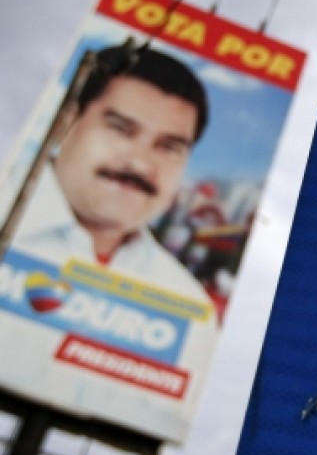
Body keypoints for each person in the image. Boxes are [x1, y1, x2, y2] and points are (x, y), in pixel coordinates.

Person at [9, 44, 216, 324]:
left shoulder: (187, 306)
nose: (140, 164)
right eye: (120, 129)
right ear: (65, 122)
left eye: (169, 147)